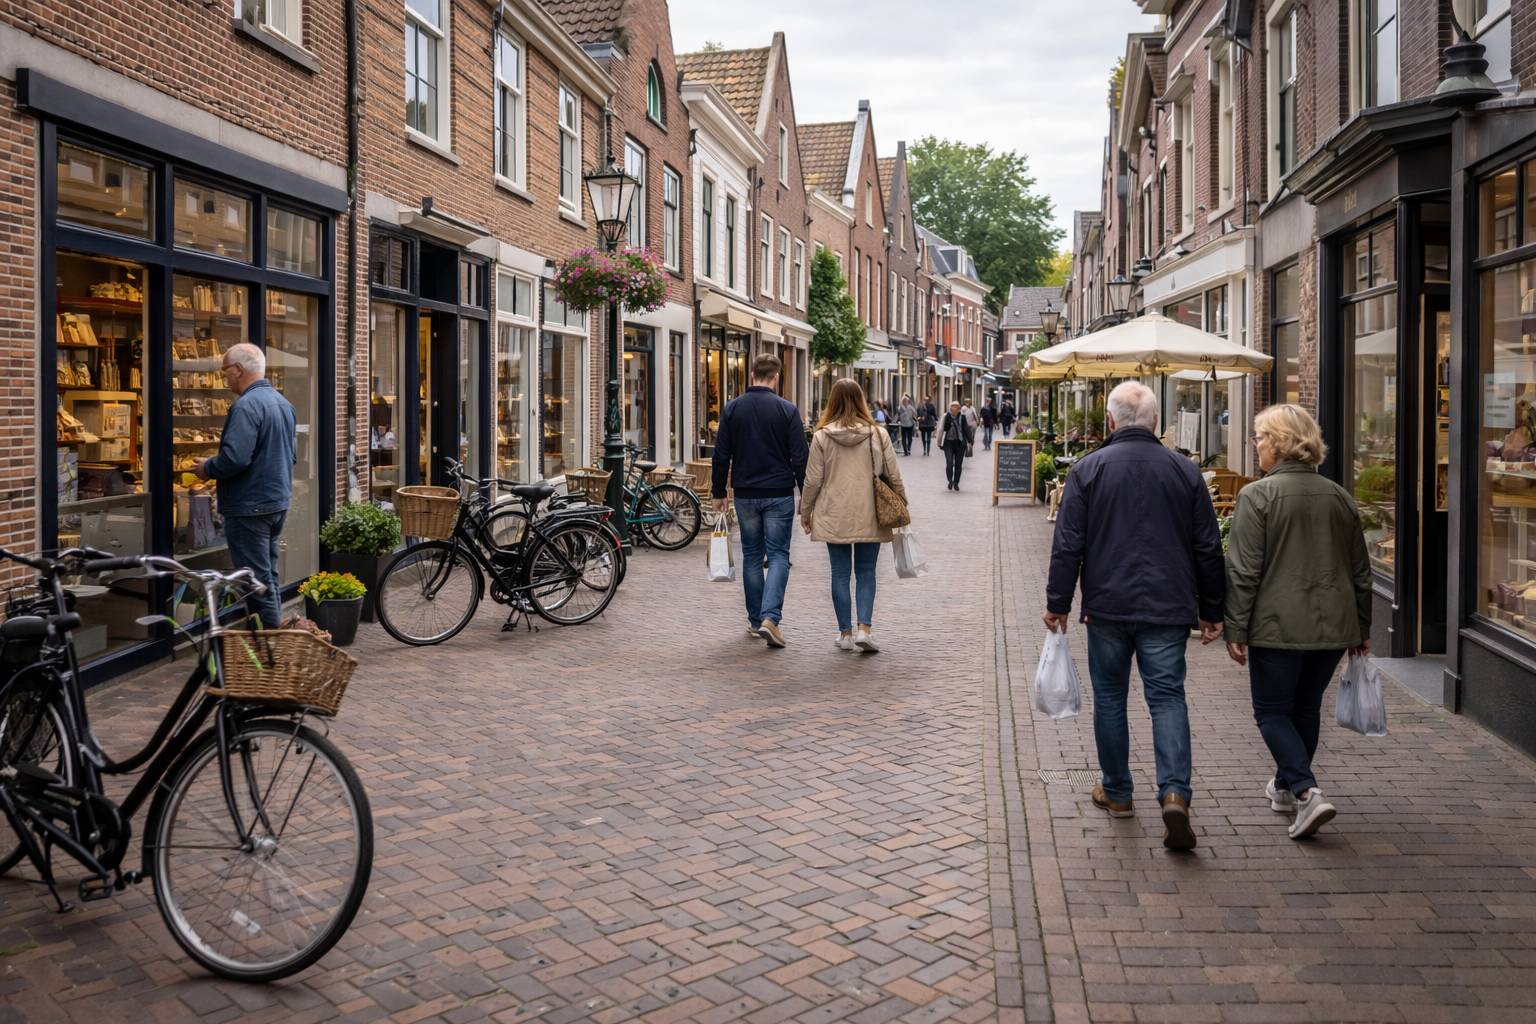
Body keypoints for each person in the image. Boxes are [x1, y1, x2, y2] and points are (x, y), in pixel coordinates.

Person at [1041, 381, 1224, 852]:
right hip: (1168, 606)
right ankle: (1175, 793)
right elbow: (1208, 548)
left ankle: (1118, 793)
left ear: (1110, 421)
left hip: (1108, 604)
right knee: (1167, 698)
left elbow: (1068, 544)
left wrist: (1058, 602)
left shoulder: (1088, 470)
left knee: (1110, 697)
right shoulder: (1185, 472)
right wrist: (1212, 611)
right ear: (1157, 422)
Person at [1224, 404, 1372, 840]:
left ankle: (1307, 794)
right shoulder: (1339, 495)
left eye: (1259, 438)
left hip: (1277, 625)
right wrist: (1361, 629)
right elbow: (1360, 570)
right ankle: (1286, 787)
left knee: (1271, 711)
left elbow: (1244, 570)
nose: (1256, 446)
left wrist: (1236, 628)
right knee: (1305, 709)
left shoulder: (1257, 496)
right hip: (1332, 626)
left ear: (1278, 442)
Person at [193, 342, 297, 629]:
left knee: (254, 579)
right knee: (268, 575)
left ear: (238, 370)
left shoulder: (246, 406)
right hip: (276, 502)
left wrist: (207, 468)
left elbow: (236, 459)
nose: (224, 379)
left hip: (250, 507)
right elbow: (291, 455)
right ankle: (271, 640)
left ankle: (271, 649)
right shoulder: (282, 403)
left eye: (225, 371)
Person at [800, 379, 907, 654]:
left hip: (833, 511)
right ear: (861, 400)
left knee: (839, 573)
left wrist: (806, 511)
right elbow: (893, 474)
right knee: (866, 572)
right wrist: (902, 504)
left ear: (831, 401)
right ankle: (864, 629)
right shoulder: (878, 434)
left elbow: (812, 479)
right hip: (870, 510)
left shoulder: (822, 436)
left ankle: (845, 634)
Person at [711, 353, 808, 648]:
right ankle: (770, 618)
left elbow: (721, 454)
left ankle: (756, 621)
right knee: (778, 555)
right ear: (776, 376)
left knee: (752, 555)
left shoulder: (732, 409)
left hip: (746, 493)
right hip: (779, 492)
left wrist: (718, 492)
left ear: (751, 373)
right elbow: (800, 457)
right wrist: (806, 495)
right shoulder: (787, 410)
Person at [939, 401, 973, 491]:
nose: (953, 409)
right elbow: (943, 428)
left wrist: (970, 441)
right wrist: (949, 424)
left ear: (959, 409)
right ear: (950, 408)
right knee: (949, 463)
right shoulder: (946, 416)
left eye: (955, 407)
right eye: (952, 407)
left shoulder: (962, 417)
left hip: (960, 444)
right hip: (948, 443)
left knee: (958, 464)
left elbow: (966, 429)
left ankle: (956, 482)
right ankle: (950, 481)